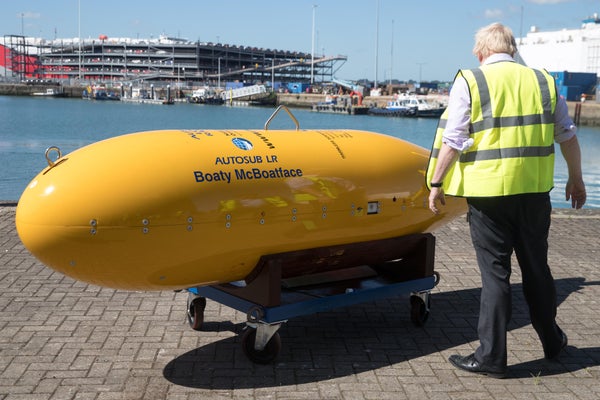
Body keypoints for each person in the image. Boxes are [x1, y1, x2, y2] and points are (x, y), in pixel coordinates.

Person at [426, 22, 586, 378]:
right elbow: (568, 137)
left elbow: (454, 139)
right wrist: (576, 180)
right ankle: (552, 341)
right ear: (512, 49)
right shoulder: (543, 81)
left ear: (480, 51)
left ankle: (492, 357)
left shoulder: (470, 81)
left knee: (496, 275)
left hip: (489, 198)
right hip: (533, 194)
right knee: (537, 270)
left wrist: (436, 182)